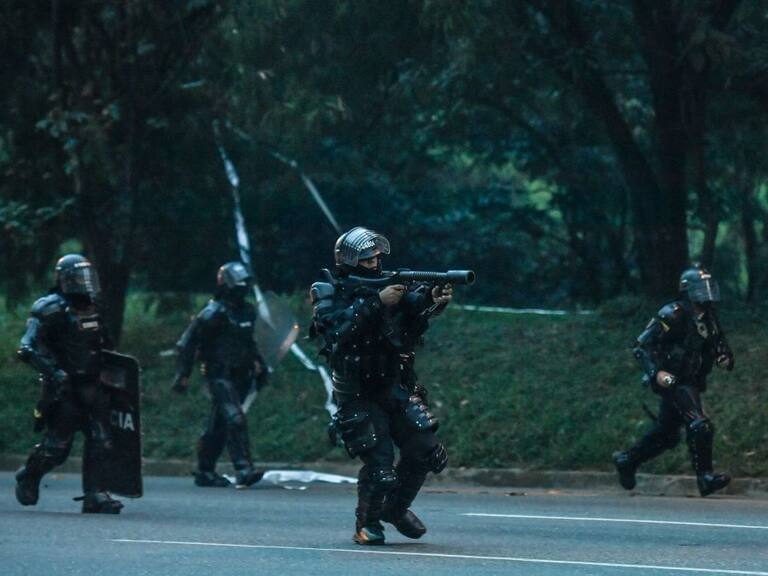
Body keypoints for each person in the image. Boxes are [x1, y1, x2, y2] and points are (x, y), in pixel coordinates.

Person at [310, 227, 453, 545]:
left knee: (426, 451)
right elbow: (335, 333)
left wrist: (433, 299)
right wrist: (376, 301)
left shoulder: (389, 282)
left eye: (376, 256)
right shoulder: (328, 289)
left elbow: (415, 313)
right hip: (358, 391)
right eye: (366, 258)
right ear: (348, 260)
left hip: (394, 384)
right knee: (381, 464)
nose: (374, 262)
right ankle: (368, 523)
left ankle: (396, 508)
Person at [15, 254, 124, 513]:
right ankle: (29, 475)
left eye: (88, 276)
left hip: (94, 384)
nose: (85, 282)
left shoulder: (94, 307)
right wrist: (54, 372)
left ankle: (95, 495)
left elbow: (106, 345)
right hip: (64, 388)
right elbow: (26, 348)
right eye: (79, 277)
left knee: (102, 440)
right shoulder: (49, 309)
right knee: (57, 448)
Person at [613, 266, 735, 497]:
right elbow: (642, 346)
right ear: (689, 291)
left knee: (667, 434)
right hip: (673, 378)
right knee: (700, 424)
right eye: (701, 289)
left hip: (692, 379)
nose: (706, 294)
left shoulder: (709, 317)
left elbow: (719, 344)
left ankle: (627, 460)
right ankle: (705, 478)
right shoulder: (673, 313)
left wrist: (723, 357)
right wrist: (656, 372)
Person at [173, 262, 267, 488]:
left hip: (241, 374)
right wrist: (183, 374)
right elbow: (188, 344)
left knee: (218, 425)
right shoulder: (212, 313)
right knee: (234, 417)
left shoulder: (247, 312)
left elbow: (248, 342)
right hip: (219, 374)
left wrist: (259, 365)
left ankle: (204, 470)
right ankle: (244, 469)